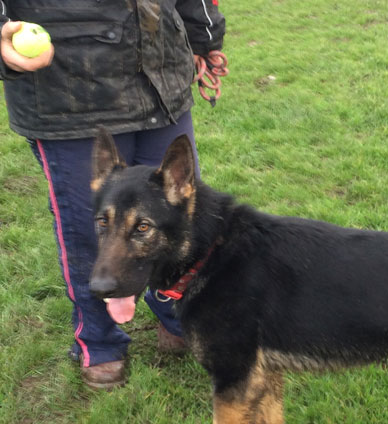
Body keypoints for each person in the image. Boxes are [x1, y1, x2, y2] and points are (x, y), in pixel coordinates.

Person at [0, 1, 225, 389]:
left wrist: (204, 36)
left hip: (159, 78)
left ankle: (175, 314)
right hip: (69, 93)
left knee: (176, 218)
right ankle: (100, 341)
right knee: (94, 231)